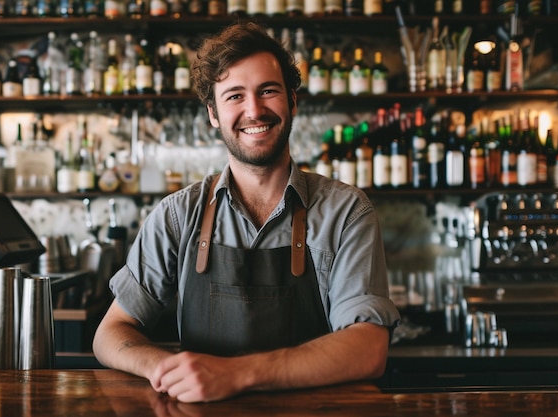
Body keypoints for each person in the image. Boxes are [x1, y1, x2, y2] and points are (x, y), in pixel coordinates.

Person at [93, 21, 400, 403]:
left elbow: (369, 348)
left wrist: (236, 374)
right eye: (234, 96)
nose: (254, 110)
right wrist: (164, 368)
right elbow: (111, 332)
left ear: (292, 101)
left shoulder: (345, 211)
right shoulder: (177, 215)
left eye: (267, 91)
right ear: (213, 114)